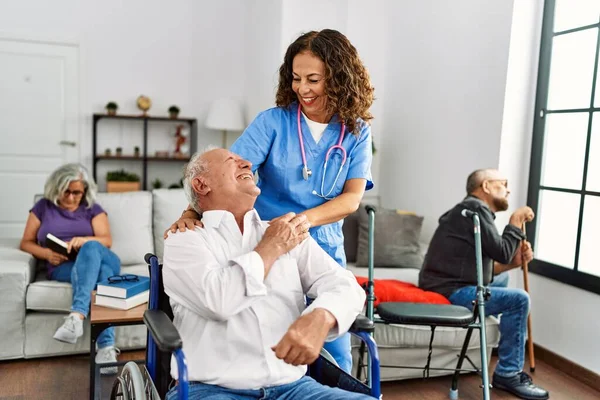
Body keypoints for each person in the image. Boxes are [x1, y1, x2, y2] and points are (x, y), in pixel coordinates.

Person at [166, 29, 374, 373]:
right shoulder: (273, 122)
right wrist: (191, 211)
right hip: (268, 244)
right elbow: (225, 176)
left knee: (336, 355)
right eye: (295, 78)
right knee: (266, 336)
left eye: (313, 79)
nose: (302, 88)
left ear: (339, 78)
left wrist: (299, 225)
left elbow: (351, 199)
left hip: (319, 243)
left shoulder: (356, 131)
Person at [162, 148, 370, 400]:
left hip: (295, 388)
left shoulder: (287, 233)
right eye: (232, 161)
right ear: (201, 184)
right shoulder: (185, 239)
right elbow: (219, 301)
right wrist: (271, 248)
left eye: (244, 161)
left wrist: (323, 316)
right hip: (210, 390)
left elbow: (345, 285)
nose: (248, 163)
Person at [418, 169, 549, 400]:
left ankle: (503, 349)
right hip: (449, 291)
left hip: (449, 282)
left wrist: (514, 263)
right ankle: (508, 373)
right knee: (519, 300)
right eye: (503, 183)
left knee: (503, 280)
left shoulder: (468, 212)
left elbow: (483, 269)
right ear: (486, 186)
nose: (508, 189)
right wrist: (516, 221)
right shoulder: (475, 210)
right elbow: (501, 250)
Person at [19, 163, 121, 374]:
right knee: (103, 276)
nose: (72, 197)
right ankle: (106, 348)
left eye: (77, 192)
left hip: (102, 257)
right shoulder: (43, 207)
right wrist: (47, 254)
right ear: (57, 187)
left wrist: (84, 240)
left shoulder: (92, 208)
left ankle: (76, 316)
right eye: (67, 191)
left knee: (92, 246)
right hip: (64, 266)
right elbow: (26, 242)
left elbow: (106, 240)